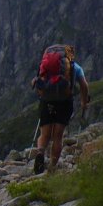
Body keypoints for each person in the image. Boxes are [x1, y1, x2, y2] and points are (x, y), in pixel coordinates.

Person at [31, 44, 89, 173]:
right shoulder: (75, 67)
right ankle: (52, 166)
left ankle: (40, 152)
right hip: (64, 102)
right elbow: (84, 85)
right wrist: (84, 102)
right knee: (58, 136)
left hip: (46, 101)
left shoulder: (45, 65)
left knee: (44, 134)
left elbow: (36, 81)